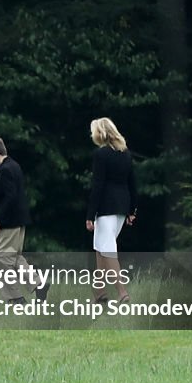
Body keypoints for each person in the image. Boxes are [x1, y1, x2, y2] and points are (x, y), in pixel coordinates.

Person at [85, 117, 137, 304]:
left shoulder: (101, 154)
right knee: (101, 248)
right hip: (122, 206)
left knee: (107, 250)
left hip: (106, 207)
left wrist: (90, 214)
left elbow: (98, 185)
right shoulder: (125, 154)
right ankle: (99, 293)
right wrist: (133, 210)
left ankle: (122, 292)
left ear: (100, 133)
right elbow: (132, 183)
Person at [0, 136, 37, 303]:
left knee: (2, 256)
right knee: (14, 257)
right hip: (19, 218)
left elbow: (10, 197)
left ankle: (14, 297)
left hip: (10, 220)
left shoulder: (5, 170)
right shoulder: (14, 165)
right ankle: (37, 284)